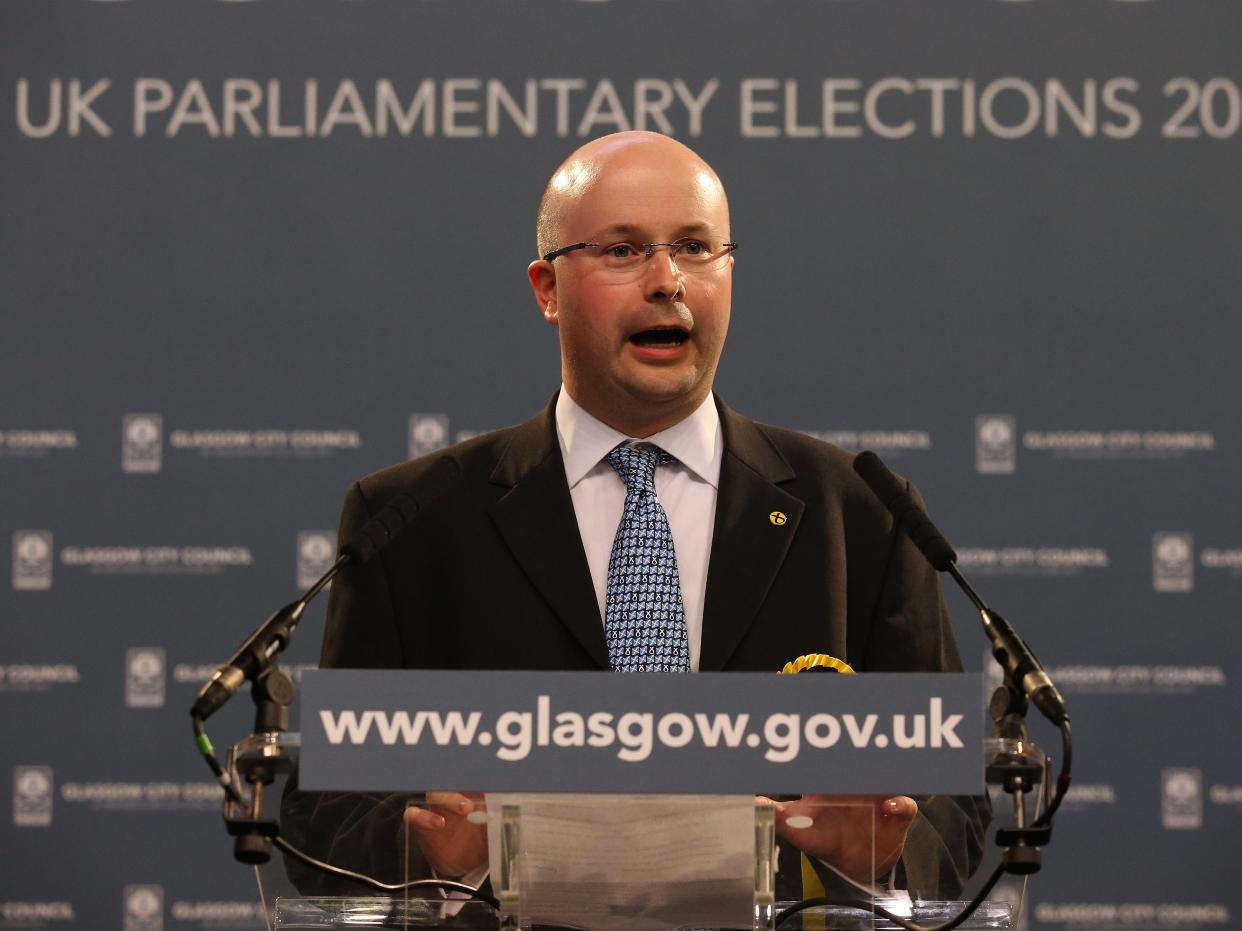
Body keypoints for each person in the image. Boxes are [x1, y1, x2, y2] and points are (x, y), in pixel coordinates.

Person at [281, 131, 986, 902]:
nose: (667, 281)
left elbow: (951, 795)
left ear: (729, 273)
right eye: (622, 251)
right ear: (546, 288)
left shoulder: (861, 513)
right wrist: (445, 855)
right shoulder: (412, 522)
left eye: (694, 248)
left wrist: (881, 854)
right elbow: (330, 811)